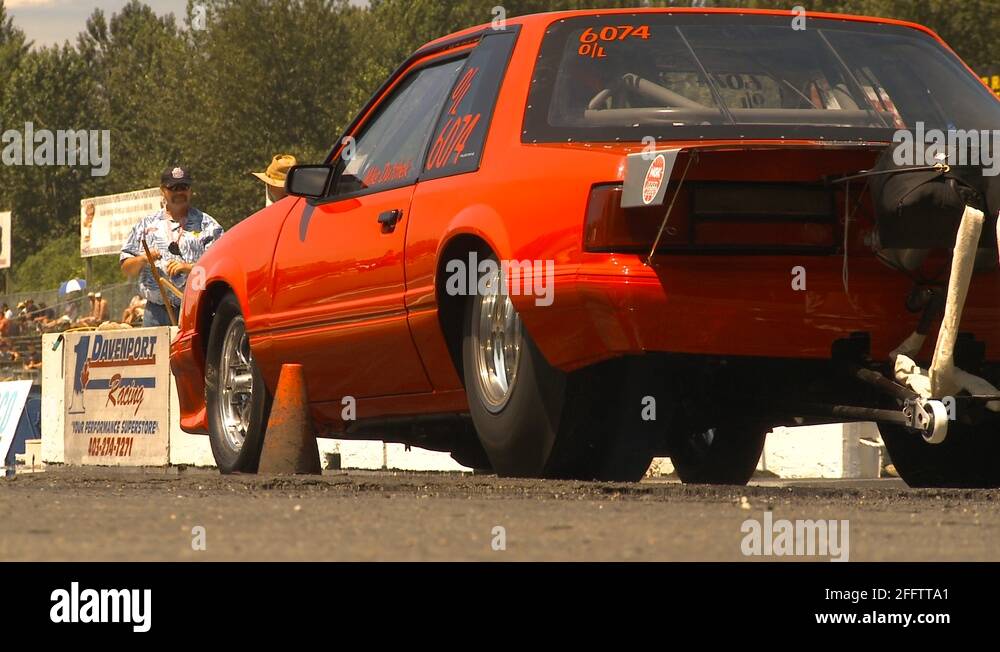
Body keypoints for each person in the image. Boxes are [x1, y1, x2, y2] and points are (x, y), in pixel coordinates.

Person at [120, 166, 224, 327]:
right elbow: (126, 268)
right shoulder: (146, 225)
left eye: (184, 187)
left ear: (190, 190)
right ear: (163, 190)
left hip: (194, 309)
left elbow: (220, 268)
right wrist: (143, 259)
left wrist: (189, 267)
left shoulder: (208, 225)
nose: (179, 192)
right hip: (155, 313)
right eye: (173, 188)